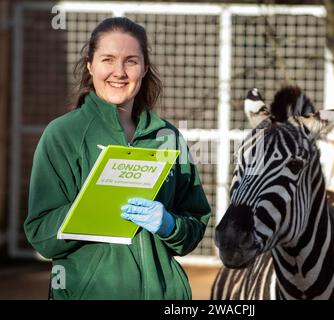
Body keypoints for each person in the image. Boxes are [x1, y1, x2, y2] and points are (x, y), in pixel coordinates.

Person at [24, 17, 211, 300]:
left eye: (131, 61)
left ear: (145, 68)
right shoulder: (62, 135)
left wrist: (170, 225)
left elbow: (194, 226)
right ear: (90, 65)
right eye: (108, 60)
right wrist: (89, 210)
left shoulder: (167, 137)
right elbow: (41, 235)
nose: (119, 72)